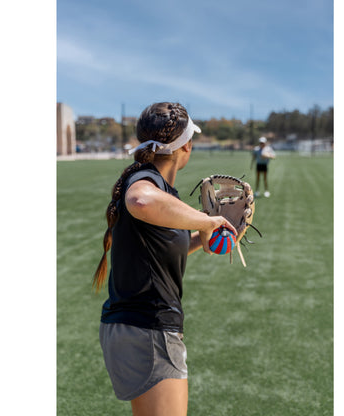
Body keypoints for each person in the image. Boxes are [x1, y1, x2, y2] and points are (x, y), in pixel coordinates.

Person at [93, 102, 237, 416]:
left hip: (134, 326)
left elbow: (160, 248)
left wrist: (206, 238)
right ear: (186, 145)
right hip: (149, 328)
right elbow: (141, 201)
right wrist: (207, 220)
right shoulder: (147, 184)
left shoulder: (161, 190)